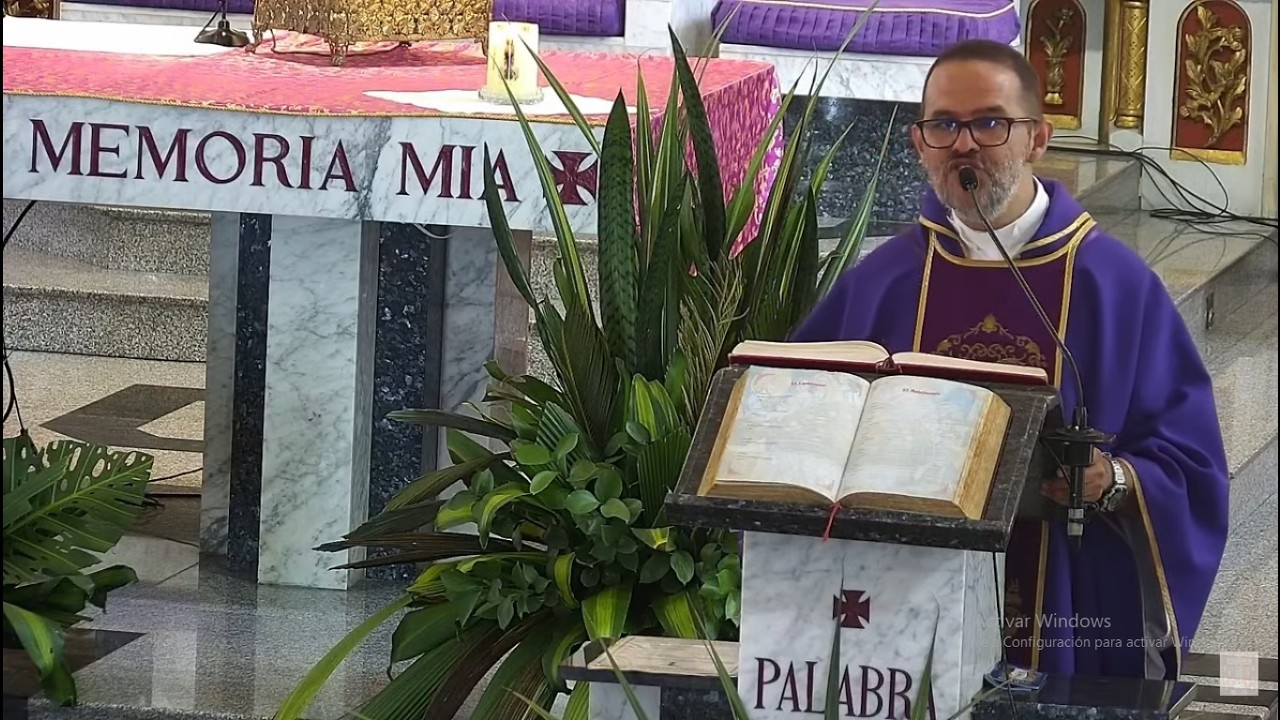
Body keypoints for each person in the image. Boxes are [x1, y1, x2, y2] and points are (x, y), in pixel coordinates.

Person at [791, 39, 1229, 681]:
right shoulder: (883, 283)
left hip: (1063, 595)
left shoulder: (1114, 285)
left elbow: (1192, 464)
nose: (964, 144)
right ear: (919, 145)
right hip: (904, 596)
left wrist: (1113, 480)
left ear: (1037, 139)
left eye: (990, 123)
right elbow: (798, 425)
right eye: (944, 125)